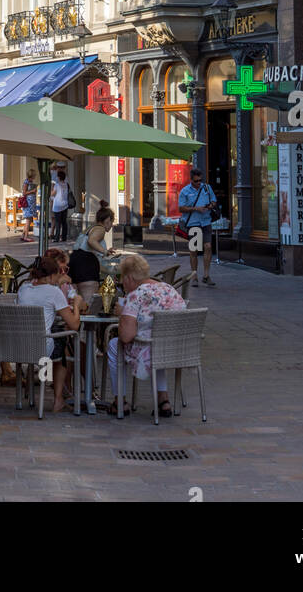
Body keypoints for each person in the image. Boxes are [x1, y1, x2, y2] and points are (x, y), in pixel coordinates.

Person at [106, 254, 185, 418]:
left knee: (114, 345)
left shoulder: (136, 295)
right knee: (157, 342)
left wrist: (122, 314)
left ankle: (119, 400)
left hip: (149, 350)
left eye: (122, 279)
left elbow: (126, 337)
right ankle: (164, 400)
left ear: (129, 277)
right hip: (176, 349)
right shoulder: (169, 289)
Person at [17, 256, 80, 413]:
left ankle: (42, 388)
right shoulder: (54, 292)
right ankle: (58, 398)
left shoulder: (23, 288)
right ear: (52, 275)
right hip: (42, 349)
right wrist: (77, 305)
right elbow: (74, 324)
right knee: (64, 348)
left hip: (17, 346)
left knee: (56, 338)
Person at [178, 166, 219, 288]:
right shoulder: (185, 191)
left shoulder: (206, 188)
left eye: (200, 180)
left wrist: (210, 206)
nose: (198, 183)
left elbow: (214, 201)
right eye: (196, 181)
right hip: (193, 224)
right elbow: (181, 208)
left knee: (208, 247)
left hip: (206, 222)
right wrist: (196, 208)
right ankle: (194, 276)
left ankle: (206, 276)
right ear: (191, 180)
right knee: (194, 250)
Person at [68, 203, 116, 303]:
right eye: (112, 221)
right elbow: (91, 241)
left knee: (77, 301)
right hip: (86, 264)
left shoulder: (91, 228)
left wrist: (104, 250)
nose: (112, 225)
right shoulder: (100, 229)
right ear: (107, 220)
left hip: (74, 260)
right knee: (88, 303)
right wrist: (105, 251)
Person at [51, 169, 70, 243]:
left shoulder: (57, 185)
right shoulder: (66, 184)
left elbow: (53, 194)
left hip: (58, 206)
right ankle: (64, 237)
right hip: (65, 205)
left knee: (57, 222)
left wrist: (52, 188)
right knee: (64, 222)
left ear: (59, 177)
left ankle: (57, 238)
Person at [20, 171, 38, 243]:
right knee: (28, 220)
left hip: (31, 203)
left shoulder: (29, 182)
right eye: (34, 176)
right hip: (28, 204)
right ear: (31, 176)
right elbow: (24, 193)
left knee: (29, 219)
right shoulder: (26, 182)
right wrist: (33, 191)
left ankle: (23, 235)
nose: (34, 178)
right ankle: (26, 237)